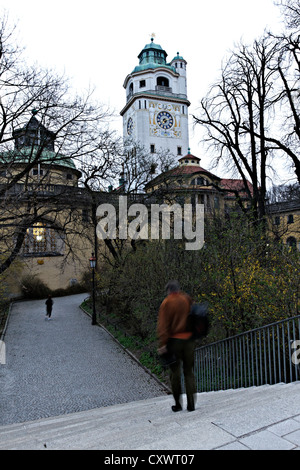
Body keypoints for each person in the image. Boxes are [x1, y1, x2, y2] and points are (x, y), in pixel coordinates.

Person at [157, 280, 196, 412]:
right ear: (178, 289)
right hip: (189, 340)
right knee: (189, 373)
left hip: (174, 342)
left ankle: (178, 404)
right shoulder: (186, 299)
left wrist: (163, 344)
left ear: (168, 291)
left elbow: (163, 327)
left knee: (175, 374)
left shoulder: (167, 303)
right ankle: (191, 404)